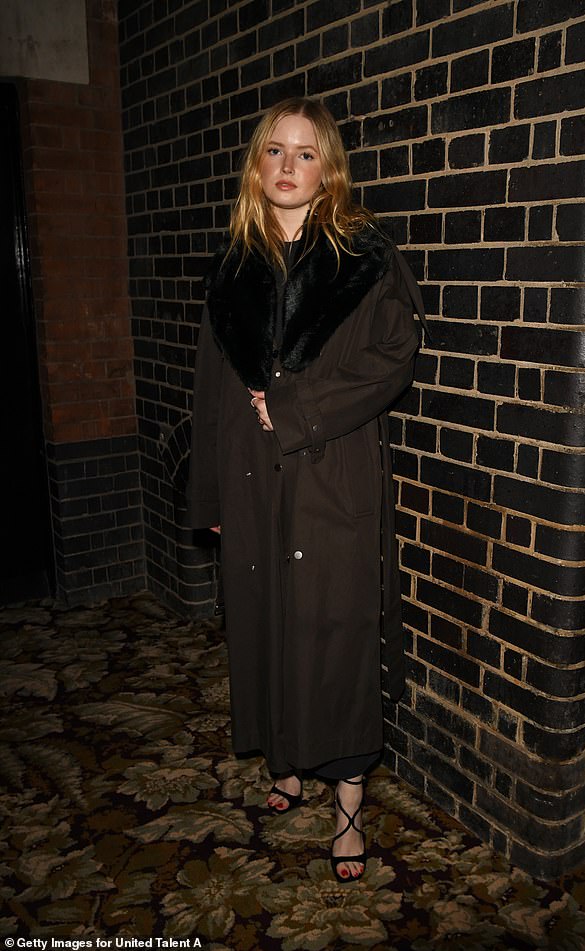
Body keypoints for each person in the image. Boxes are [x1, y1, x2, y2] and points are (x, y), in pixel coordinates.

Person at [186, 97, 425, 883]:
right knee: (266, 623)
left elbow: (393, 356)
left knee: (334, 631)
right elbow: (213, 395)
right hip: (254, 484)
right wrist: (212, 498)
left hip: (332, 476)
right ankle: (286, 760)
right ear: (257, 166)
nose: (288, 167)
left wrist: (295, 406)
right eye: (274, 152)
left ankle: (349, 807)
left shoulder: (364, 257)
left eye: (306, 154)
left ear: (329, 172)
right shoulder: (233, 268)